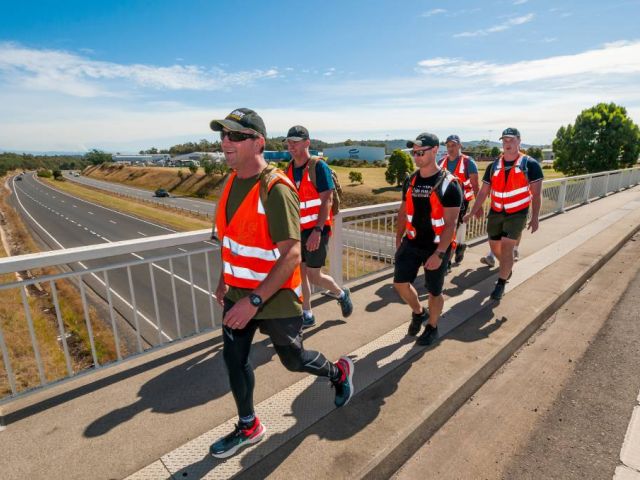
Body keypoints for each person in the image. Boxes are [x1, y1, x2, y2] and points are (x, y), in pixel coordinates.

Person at [208, 108, 354, 459]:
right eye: (223, 135)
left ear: (258, 142)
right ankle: (248, 426)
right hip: (239, 290)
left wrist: (253, 302)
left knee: (292, 359)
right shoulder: (230, 183)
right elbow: (231, 240)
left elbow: (291, 254)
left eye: (236, 136)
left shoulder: (275, 188)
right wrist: (224, 281)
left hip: (272, 295)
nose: (226, 142)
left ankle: (338, 372)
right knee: (234, 358)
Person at [394, 132, 462, 346]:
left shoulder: (450, 184)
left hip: (436, 246)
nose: (416, 156)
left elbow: (451, 223)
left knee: (434, 291)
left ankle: (432, 326)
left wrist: (440, 253)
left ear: (435, 150)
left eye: (421, 152)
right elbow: (403, 212)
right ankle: (418, 311)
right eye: (414, 152)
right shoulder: (411, 180)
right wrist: (398, 238)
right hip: (412, 242)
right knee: (400, 283)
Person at [284, 125, 353, 329]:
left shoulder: (317, 166)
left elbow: (327, 201)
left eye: (295, 142)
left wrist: (317, 230)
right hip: (298, 230)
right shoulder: (288, 169)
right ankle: (307, 314)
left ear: (307, 143)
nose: (291, 146)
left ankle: (341, 293)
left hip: (317, 230)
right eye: (289, 142)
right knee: (301, 272)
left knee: (314, 275)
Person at [464, 128, 543, 300]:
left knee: (507, 247)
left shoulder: (530, 165)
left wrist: (535, 217)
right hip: (496, 212)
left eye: (511, 140)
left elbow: (536, 194)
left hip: (517, 213)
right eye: (505, 140)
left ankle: (500, 283)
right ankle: (506, 267)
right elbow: (484, 192)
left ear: (519, 141)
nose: (507, 144)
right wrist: (473, 210)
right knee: (495, 247)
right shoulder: (494, 166)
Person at [438, 134, 480, 267]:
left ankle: (447, 261)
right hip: (444, 201)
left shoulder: (468, 162)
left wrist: (478, 207)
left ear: (460, 146)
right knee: (449, 227)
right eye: (448, 145)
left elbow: (475, 185)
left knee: (452, 228)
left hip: (462, 202)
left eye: (454, 145)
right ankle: (460, 246)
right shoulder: (441, 162)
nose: (450, 148)